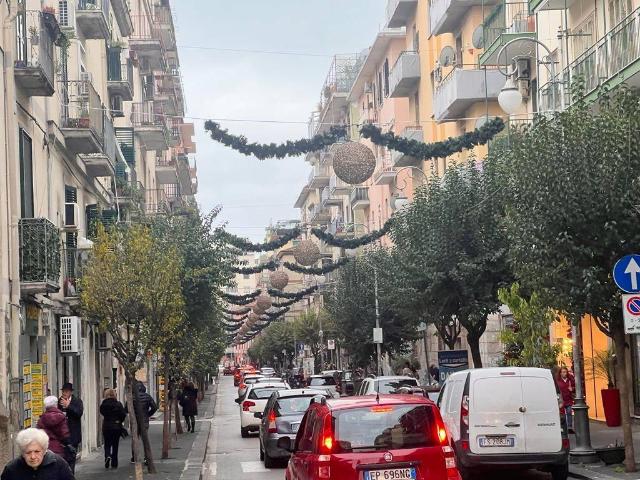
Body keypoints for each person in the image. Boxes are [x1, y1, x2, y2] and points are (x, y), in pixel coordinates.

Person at [1, 427, 74, 480]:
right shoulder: (11, 469)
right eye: (28, 452)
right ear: (22, 453)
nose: (33, 456)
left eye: (37, 451)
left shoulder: (59, 465)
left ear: (44, 450)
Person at [128, 382, 158, 464]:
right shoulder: (147, 396)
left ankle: (134, 457)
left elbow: (126, 408)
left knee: (135, 439)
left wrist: (132, 415)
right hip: (144, 420)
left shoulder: (131, 397)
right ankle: (147, 458)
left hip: (135, 422)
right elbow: (155, 407)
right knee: (145, 439)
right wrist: (148, 414)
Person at [58, 383, 83, 473]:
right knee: (63, 460)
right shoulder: (59, 401)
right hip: (62, 436)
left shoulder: (77, 401)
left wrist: (69, 406)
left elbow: (78, 413)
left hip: (73, 435)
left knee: (72, 459)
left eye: (66, 391)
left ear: (70, 392)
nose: (64, 393)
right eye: (63, 391)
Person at [100, 388, 127, 469]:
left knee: (107, 444)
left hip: (107, 426)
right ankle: (114, 463)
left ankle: (107, 456)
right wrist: (119, 420)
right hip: (116, 426)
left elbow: (102, 413)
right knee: (115, 445)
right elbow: (123, 414)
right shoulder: (118, 404)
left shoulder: (103, 404)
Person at [556, 366, 576, 433]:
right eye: (563, 372)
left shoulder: (570, 380)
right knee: (562, 415)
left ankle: (569, 427)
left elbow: (575, 387)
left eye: (565, 372)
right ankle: (562, 428)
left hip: (569, 399)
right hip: (561, 400)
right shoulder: (558, 381)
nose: (564, 373)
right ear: (560, 373)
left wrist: (572, 389)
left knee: (569, 412)